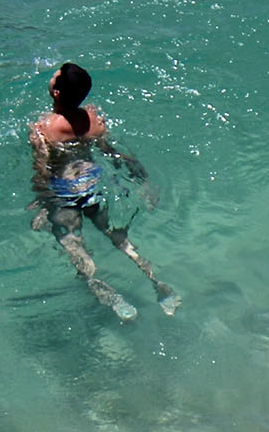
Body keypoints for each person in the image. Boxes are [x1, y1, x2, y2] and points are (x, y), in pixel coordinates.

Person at [29, 63, 177, 320]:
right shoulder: (92, 119)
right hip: (92, 186)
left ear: (56, 92)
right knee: (121, 240)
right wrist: (141, 178)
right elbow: (112, 152)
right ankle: (158, 284)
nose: (52, 76)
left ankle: (107, 293)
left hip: (65, 194)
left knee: (74, 246)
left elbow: (41, 170)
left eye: (55, 76)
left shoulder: (44, 128)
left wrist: (41, 201)